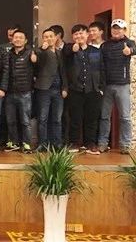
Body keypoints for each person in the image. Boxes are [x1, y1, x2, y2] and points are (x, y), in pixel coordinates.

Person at [62, 24, 104, 154]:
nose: (79, 36)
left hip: (93, 89)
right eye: (76, 34)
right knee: (75, 118)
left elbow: (102, 69)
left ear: (87, 35)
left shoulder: (96, 51)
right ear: (73, 36)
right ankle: (74, 143)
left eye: (81, 33)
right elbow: (65, 54)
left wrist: (101, 88)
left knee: (92, 118)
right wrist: (73, 49)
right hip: (75, 89)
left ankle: (90, 143)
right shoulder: (68, 49)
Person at [98, 19, 135, 154]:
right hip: (107, 85)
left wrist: (130, 51)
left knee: (125, 117)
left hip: (122, 85)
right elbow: (101, 64)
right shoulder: (105, 45)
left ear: (124, 30)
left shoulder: (129, 42)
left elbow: (134, 49)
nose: (116, 30)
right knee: (104, 116)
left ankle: (125, 144)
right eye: (114, 28)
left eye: (119, 28)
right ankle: (102, 143)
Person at [32, 28, 68, 151]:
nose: (49, 39)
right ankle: (42, 143)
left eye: (51, 36)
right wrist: (42, 49)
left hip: (58, 90)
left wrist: (65, 87)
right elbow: (37, 60)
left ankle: (57, 143)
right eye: (46, 37)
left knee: (57, 119)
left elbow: (63, 71)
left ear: (56, 37)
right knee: (43, 118)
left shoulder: (59, 52)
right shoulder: (39, 51)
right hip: (44, 89)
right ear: (43, 39)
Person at [5, 30, 34, 153]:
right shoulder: (8, 54)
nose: (17, 39)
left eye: (20, 37)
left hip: (25, 92)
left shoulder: (30, 53)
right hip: (10, 92)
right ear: (12, 40)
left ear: (25, 40)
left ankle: (27, 144)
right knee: (10, 120)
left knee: (25, 121)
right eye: (15, 37)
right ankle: (14, 142)